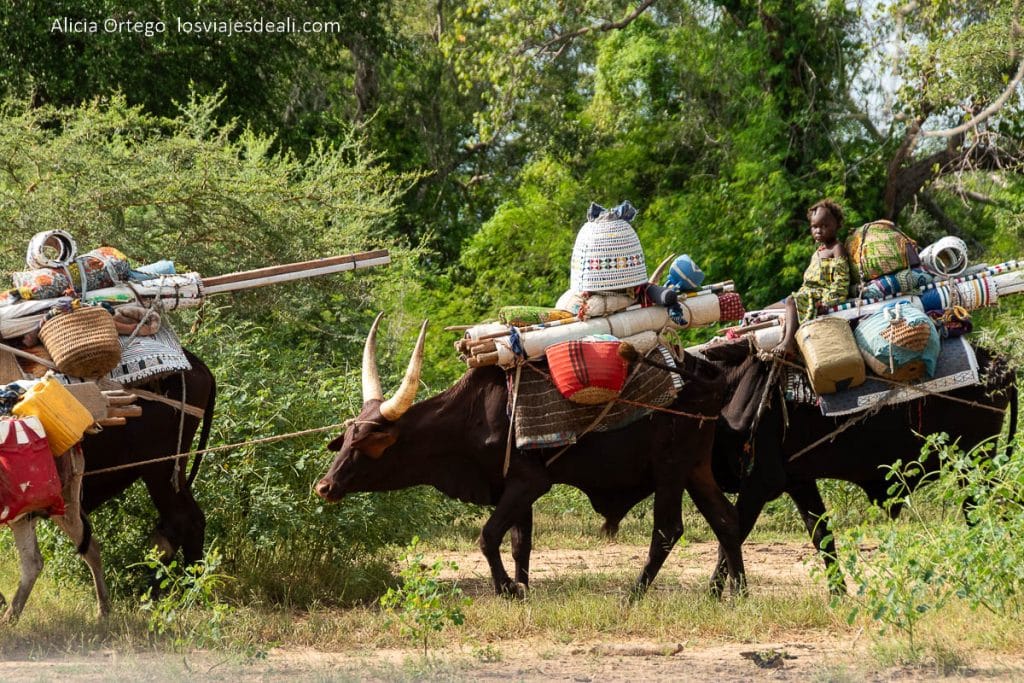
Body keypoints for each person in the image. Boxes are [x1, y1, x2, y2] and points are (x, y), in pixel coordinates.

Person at [774, 199, 850, 354]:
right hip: (806, 292)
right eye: (814, 226)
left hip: (820, 294)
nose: (818, 230)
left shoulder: (836, 248)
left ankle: (788, 342)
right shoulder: (818, 252)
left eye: (824, 226)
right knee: (768, 310)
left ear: (837, 225)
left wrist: (827, 302)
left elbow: (841, 281)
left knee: (791, 301)